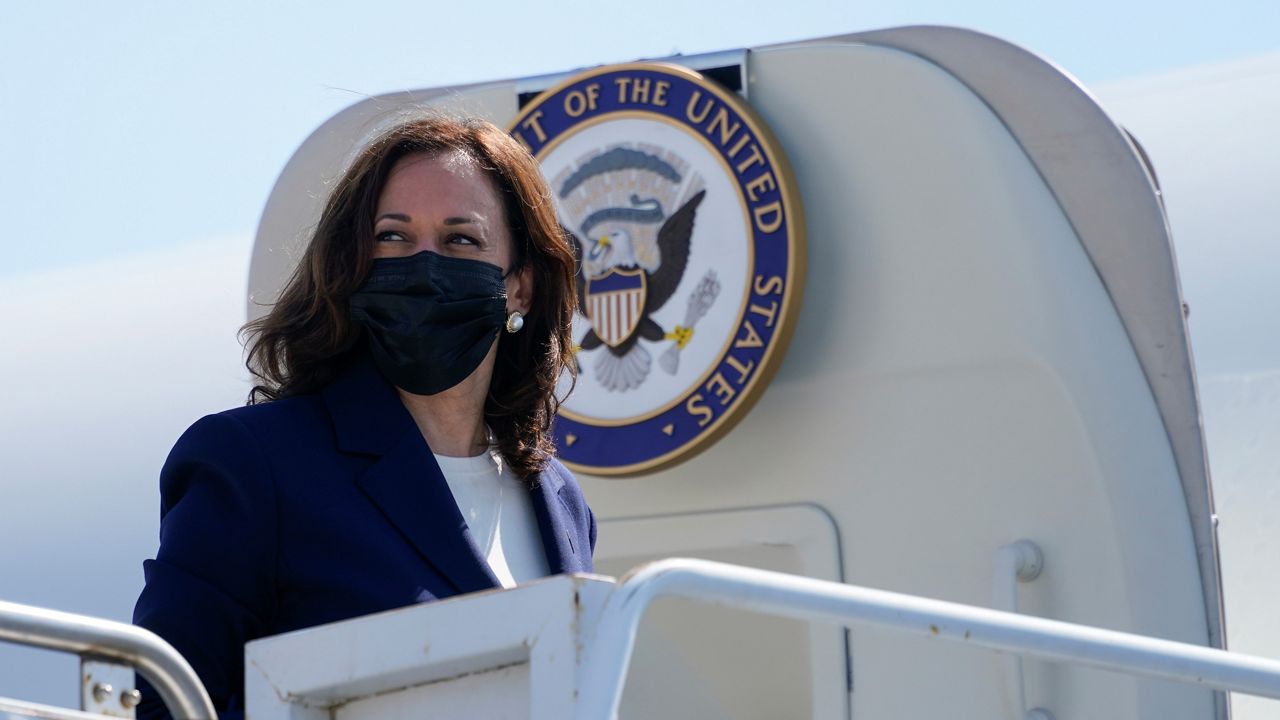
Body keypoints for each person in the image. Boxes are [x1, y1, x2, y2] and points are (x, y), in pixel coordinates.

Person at [132, 115, 596, 720]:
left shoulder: (561, 502)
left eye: (461, 240)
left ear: (521, 289)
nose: (424, 267)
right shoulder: (253, 463)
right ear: (353, 265)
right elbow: (166, 704)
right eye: (393, 238)